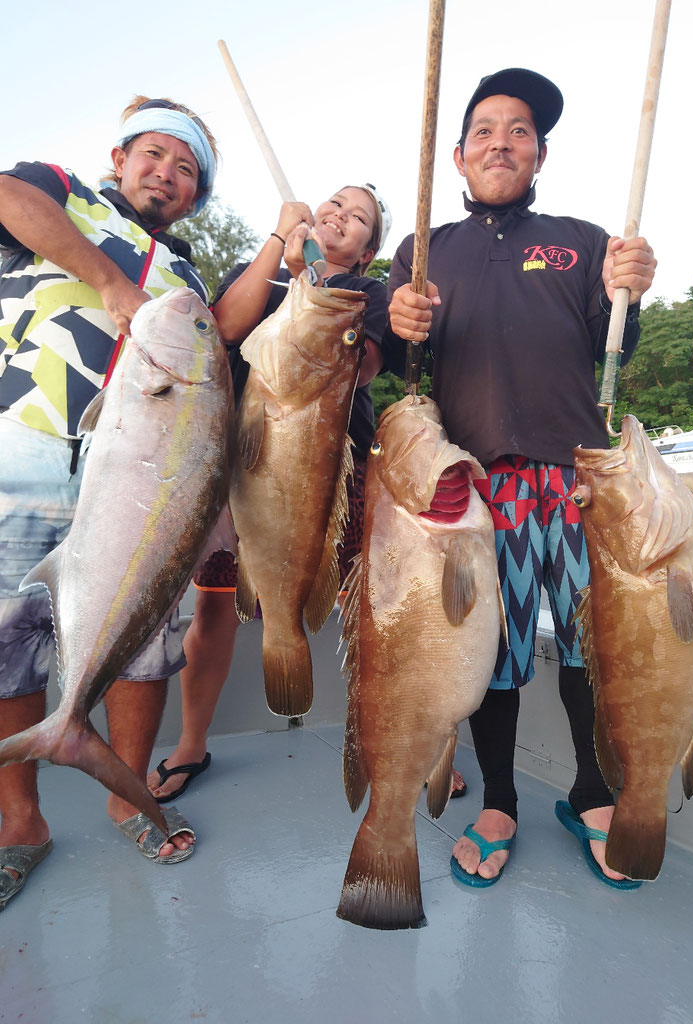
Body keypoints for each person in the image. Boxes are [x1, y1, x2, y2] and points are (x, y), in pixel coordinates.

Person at [384, 68, 657, 888]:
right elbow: (404, 358)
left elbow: (619, 344)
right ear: (459, 156)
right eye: (484, 131)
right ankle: (498, 798)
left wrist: (631, 294)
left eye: (520, 131)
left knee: (590, 650)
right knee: (492, 653)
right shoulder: (423, 250)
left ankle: (592, 791)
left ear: (539, 155)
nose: (501, 141)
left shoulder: (583, 240)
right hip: (474, 490)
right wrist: (402, 319)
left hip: (578, 481)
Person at [0, 95, 220, 907]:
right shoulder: (59, 192)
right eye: (154, 154)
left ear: (195, 196)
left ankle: (126, 789)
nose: (166, 173)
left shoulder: (189, 276)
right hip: (26, 445)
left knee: (149, 639)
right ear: (120, 159)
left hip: (139, 478)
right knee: (6, 636)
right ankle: (20, 822)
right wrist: (109, 282)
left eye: (186, 168)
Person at [147, 183, 395, 801]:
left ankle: (395, 742)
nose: (341, 215)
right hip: (242, 462)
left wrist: (311, 279)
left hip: (333, 468)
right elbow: (225, 329)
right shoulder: (262, 269)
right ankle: (191, 744)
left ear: (367, 251)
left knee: (370, 604)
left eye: (358, 217)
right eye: (334, 203)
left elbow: (361, 363)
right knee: (213, 606)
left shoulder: (367, 294)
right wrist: (281, 249)